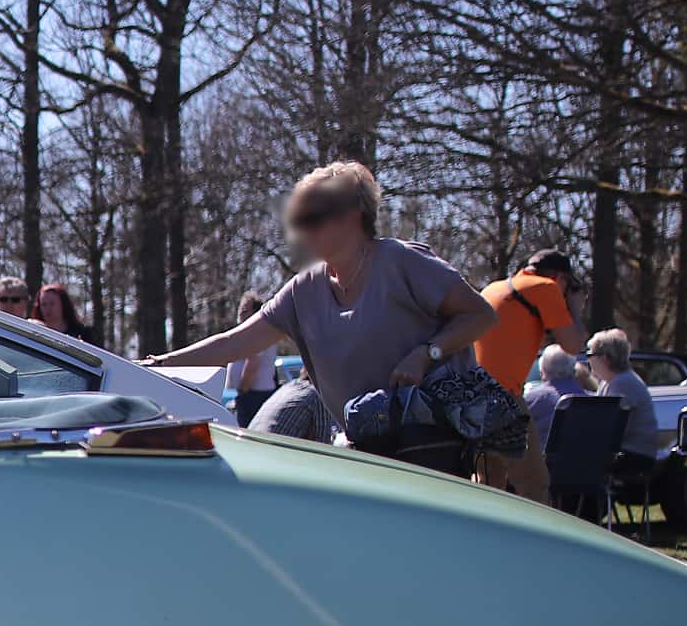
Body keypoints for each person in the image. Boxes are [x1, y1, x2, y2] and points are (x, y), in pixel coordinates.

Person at [151, 162, 491, 445]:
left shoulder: (402, 261)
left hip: (433, 444)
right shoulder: (303, 290)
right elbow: (233, 342)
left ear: (353, 216)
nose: (302, 229)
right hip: (365, 448)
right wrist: (157, 365)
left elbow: (480, 315)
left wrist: (427, 353)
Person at [468, 247, 582, 495]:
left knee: (488, 482)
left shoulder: (495, 288)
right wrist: (575, 307)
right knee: (535, 483)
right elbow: (573, 345)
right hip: (503, 399)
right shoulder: (546, 287)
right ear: (560, 278)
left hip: (472, 398)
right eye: (569, 286)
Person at [223, 289, 281, 426]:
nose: (240, 312)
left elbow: (252, 365)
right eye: (240, 308)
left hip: (254, 396)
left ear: (255, 313)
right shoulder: (249, 333)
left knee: (249, 433)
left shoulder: (258, 333)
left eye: (245, 309)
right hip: (250, 395)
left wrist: (243, 391)